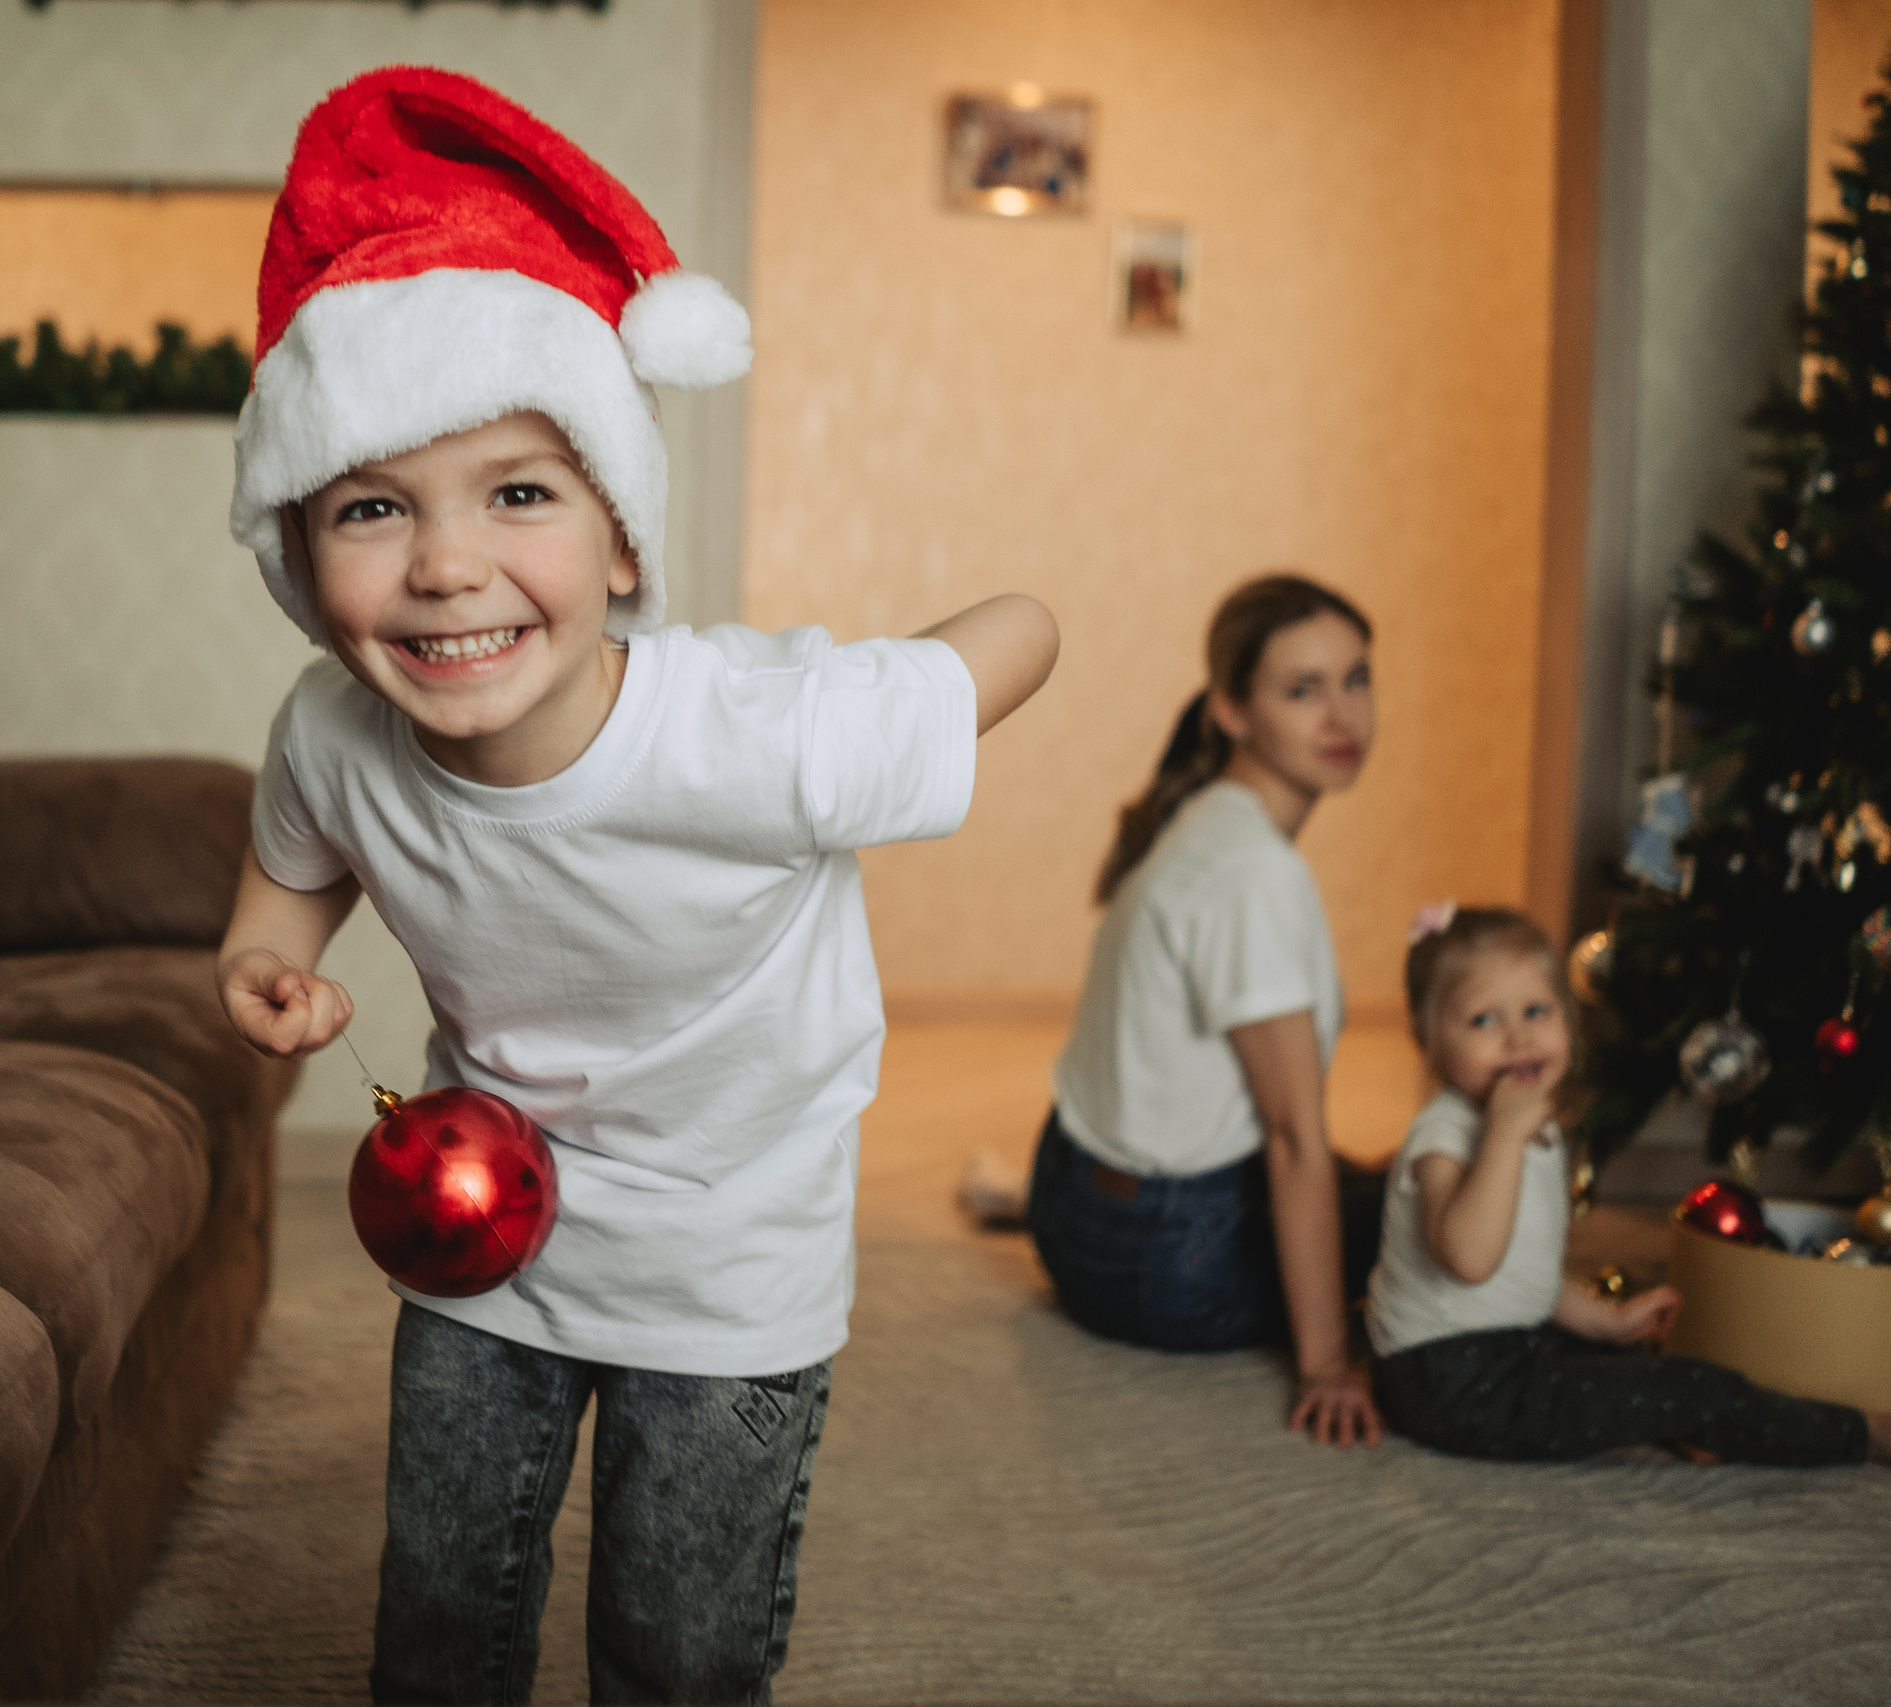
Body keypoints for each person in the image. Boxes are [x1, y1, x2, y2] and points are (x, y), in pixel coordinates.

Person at [214, 69, 1060, 1706]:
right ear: (302, 560)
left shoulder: (757, 736)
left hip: (733, 1259)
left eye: (518, 491)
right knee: (444, 1607)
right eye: (374, 508)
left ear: (620, 540)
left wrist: (918, 690)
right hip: (486, 1236)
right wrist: (268, 959)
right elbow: (287, 868)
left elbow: (1028, 622)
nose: (447, 564)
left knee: (680, 1639)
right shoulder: (333, 730)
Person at [1366, 905, 1891, 1471]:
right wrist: (1502, 1138)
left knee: (1644, 1366)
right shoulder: (1444, 1137)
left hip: (1502, 1345)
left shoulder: (1527, 1125)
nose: (1518, 1039)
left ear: (1568, 1022)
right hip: (1449, 1383)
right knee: (1687, 1387)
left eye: (1536, 1012)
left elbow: (1521, 1277)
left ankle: (1691, 1417)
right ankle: (1859, 1435)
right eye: (1482, 1021)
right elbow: (1470, 1260)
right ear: (1429, 1042)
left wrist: (1606, 1322)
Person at [1029, 574, 1384, 1447]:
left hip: (1068, 1206)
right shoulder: (1253, 873)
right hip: (1162, 1264)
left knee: (1376, 1179)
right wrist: (1330, 1364)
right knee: (1438, 1198)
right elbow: (1293, 1136)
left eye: (1356, 678)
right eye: (1303, 690)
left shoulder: (1203, 814)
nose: (1342, 715)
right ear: (1231, 710)